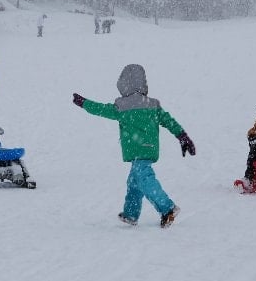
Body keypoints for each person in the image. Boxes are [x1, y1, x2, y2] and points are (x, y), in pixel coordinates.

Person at [72, 64, 195, 228]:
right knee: (134, 182)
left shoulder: (121, 107)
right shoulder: (152, 105)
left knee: (144, 179)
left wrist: (84, 103)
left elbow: (100, 109)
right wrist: (182, 136)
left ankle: (168, 208)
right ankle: (131, 214)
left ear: (124, 84)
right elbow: (168, 121)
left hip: (138, 150)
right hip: (148, 148)